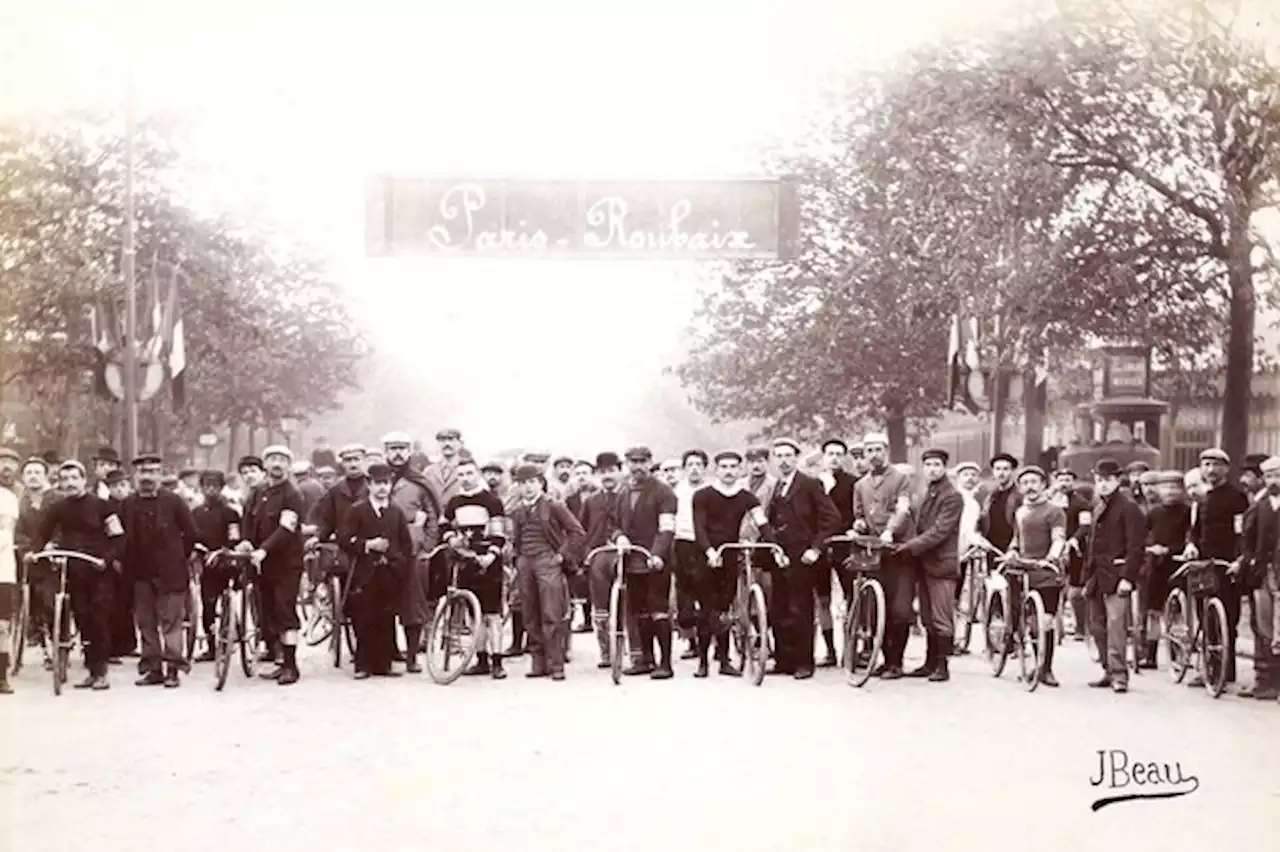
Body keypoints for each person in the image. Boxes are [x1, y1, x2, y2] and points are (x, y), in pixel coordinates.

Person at [33, 459, 125, 690]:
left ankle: (101, 672)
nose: (70, 483)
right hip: (73, 569)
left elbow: (118, 538)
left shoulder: (102, 505)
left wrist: (107, 559)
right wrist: (34, 552)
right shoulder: (58, 508)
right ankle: (91, 670)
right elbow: (42, 534)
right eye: (65, 479)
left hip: (98, 570)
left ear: (84, 480)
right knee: (82, 618)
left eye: (74, 478)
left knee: (99, 619)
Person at [692, 449, 775, 677]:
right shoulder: (703, 495)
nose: (728, 472)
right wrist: (709, 551)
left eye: (733, 467)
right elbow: (699, 527)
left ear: (739, 470)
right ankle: (703, 662)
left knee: (725, 608)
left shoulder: (746, 496)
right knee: (707, 609)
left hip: (730, 554)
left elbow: (762, 523)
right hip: (706, 554)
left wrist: (775, 548)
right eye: (724, 467)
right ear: (716, 470)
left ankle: (724, 660)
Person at [120, 454, 198, 688]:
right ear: (135, 476)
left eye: (153, 472)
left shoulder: (174, 502)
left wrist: (177, 558)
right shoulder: (128, 504)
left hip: (171, 572)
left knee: (171, 622)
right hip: (140, 573)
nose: (147, 477)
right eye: (143, 472)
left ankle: (173, 668)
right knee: (145, 622)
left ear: (161, 475)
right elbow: (121, 536)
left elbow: (191, 534)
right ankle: (153, 668)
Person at [766, 437, 841, 680]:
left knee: (801, 608)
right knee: (780, 607)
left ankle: (804, 663)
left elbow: (832, 519)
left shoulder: (809, 484)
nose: (784, 461)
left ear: (796, 458)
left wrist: (816, 548)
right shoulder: (777, 487)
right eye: (779, 456)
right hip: (780, 556)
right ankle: (784, 660)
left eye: (788, 455)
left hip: (803, 556)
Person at [508, 464, 585, 680]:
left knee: (552, 614)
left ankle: (556, 664)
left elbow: (577, 533)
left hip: (547, 562)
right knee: (530, 614)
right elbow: (516, 539)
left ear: (541, 483)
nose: (528, 488)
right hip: (525, 563)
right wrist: (517, 560)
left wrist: (561, 555)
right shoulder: (517, 511)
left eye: (532, 482)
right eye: (522, 484)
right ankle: (538, 663)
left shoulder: (554, 506)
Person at [1181, 448, 1249, 692]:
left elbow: (1242, 532)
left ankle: (1225, 671)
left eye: (1216, 465)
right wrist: (1190, 544)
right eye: (1206, 465)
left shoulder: (1236, 498)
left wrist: (1239, 558)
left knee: (1228, 617)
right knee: (1204, 615)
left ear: (1226, 469)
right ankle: (1209, 668)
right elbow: (1195, 528)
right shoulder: (1202, 498)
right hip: (1203, 564)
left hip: (1227, 564)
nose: (1211, 470)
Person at [239, 445, 306, 685]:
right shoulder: (257, 493)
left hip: (286, 563)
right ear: (265, 465)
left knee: (285, 610)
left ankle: (290, 665)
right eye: (272, 459)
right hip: (261, 563)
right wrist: (246, 541)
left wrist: (264, 550)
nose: (276, 464)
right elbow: (247, 519)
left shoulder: (292, 495)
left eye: (282, 460)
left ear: (288, 465)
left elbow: (286, 529)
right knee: (267, 611)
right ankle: (278, 661)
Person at [339, 463, 412, 679]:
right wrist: (367, 545)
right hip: (364, 573)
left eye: (386, 483)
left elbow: (405, 543)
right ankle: (363, 664)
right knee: (364, 616)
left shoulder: (396, 511)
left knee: (387, 616)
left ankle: (384, 663)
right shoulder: (357, 510)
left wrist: (398, 565)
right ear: (369, 485)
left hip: (389, 572)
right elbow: (344, 539)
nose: (382, 488)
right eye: (377, 483)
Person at [1079, 458, 1145, 694]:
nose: (1103, 484)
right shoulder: (1097, 506)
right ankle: (1107, 670)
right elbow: (1091, 545)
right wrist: (1087, 576)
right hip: (1097, 576)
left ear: (1118, 480)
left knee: (1117, 627)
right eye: (1099, 480)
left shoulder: (1129, 508)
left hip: (1118, 576)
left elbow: (1136, 546)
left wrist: (1128, 577)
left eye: (1107, 480)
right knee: (1097, 626)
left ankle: (1120, 675)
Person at [610, 446, 678, 678]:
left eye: (642, 461)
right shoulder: (623, 492)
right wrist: (619, 537)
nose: (637, 466)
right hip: (631, 559)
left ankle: (666, 664)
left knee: (658, 610)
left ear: (650, 462)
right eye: (633, 462)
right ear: (627, 464)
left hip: (656, 560)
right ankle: (645, 660)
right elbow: (614, 523)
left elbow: (667, 528)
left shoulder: (663, 492)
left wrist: (658, 554)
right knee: (639, 611)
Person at [897, 448, 963, 682]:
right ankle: (929, 661)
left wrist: (911, 545)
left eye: (937, 465)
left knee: (941, 616)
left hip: (941, 564)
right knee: (927, 615)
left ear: (944, 467)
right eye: (928, 465)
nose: (932, 469)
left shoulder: (952, 496)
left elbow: (940, 531)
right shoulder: (928, 492)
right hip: (924, 563)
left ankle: (943, 665)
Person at [852, 432, 915, 678]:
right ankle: (884, 659)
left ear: (886, 451)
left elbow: (903, 509)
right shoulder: (860, 485)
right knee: (879, 608)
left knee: (900, 609)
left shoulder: (901, 479)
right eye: (869, 451)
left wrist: (890, 531)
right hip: (873, 553)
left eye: (878, 450)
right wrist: (858, 525)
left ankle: (896, 662)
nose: (874, 455)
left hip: (898, 550)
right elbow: (859, 515)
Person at [441, 458, 508, 679]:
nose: (466, 479)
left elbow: (499, 535)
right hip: (466, 562)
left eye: (469, 473)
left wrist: (490, 556)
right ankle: (481, 659)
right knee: (473, 612)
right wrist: (451, 538)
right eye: (461, 475)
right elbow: (444, 524)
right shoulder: (454, 502)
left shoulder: (492, 501)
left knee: (492, 614)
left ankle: (497, 661)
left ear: (477, 474)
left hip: (489, 563)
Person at [1001, 465, 1066, 686]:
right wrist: (1012, 551)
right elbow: (1017, 538)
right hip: (1024, 571)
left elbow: (1059, 538)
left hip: (1047, 573)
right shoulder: (1020, 512)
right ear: (1020, 487)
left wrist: (1052, 557)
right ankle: (1032, 662)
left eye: (1034, 482)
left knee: (1045, 622)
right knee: (1028, 621)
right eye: (1025, 483)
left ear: (1043, 485)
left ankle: (1046, 669)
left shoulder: (1054, 511)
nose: (1030, 487)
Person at [382, 431, 441, 673]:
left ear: (409, 452)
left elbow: (433, 516)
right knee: (384, 601)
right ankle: (389, 650)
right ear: (385, 451)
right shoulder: (377, 480)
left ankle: (412, 657)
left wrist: (427, 544)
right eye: (393, 448)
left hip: (413, 551)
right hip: (384, 549)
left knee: (412, 604)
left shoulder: (419, 482)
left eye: (402, 448)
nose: (397, 453)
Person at [1139, 471, 1191, 671]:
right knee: (1153, 610)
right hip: (1156, 566)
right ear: (1159, 490)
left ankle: (1176, 652)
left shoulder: (1187, 512)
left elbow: (1190, 536)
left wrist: (1172, 549)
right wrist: (1151, 547)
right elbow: (1144, 535)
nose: (1170, 492)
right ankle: (1150, 654)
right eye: (1166, 487)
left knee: (1177, 611)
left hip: (1177, 565)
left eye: (1175, 487)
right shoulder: (1153, 512)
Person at [580, 452, 628, 668]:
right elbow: (581, 531)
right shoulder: (591, 501)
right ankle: (606, 653)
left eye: (611, 471)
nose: (607, 476)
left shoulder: (628, 496)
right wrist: (584, 556)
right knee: (600, 607)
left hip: (625, 554)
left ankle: (630, 651)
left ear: (620, 471)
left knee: (628, 602)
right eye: (603, 472)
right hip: (598, 556)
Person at [1239, 455, 1279, 700]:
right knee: (1265, 627)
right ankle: (1268, 682)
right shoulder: (1260, 505)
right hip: (1264, 574)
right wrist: (1249, 560)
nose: (1274, 480)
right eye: (1271, 475)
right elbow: (1248, 538)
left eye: (1278, 475)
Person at [191, 471, 242, 664]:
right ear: (201, 488)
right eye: (207, 486)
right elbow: (191, 536)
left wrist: (223, 551)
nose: (211, 490)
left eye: (215, 486)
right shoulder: (195, 513)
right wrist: (197, 549)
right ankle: (212, 646)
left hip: (226, 561)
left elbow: (234, 537)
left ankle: (230, 631)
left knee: (227, 598)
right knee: (208, 603)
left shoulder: (230, 513)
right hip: (206, 564)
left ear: (222, 488)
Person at [816, 438, 857, 667]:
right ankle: (830, 650)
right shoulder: (814, 483)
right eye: (830, 453)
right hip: (821, 548)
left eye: (839, 454)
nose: (834, 458)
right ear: (823, 457)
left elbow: (855, 511)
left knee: (851, 597)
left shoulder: (852, 483)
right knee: (823, 599)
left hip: (844, 545)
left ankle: (849, 649)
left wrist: (852, 528)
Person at [15, 456, 60, 652]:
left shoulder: (57, 499)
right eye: (29, 473)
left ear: (45, 475)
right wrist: (26, 550)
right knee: (29, 598)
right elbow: (18, 531)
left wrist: (54, 544)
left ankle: (58, 636)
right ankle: (37, 634)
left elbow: (62, 525)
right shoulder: (20, 502)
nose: (33, 477)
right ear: (23, 477)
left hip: (53, 560)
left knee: (51, 599)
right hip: (30, 560)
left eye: (37, 473)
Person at [672, 449, 710, 661]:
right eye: (690, 465)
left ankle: (709, 640)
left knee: (707, 593)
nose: (694, 468)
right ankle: (690, 640)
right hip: (683, 542)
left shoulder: (711, 489)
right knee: (684, 594)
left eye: (699, 464)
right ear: (685, 469)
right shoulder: (677, 491)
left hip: (706, 544)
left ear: (705, 468)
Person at [1050, 467, 1092, 642]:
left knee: (1075, 590)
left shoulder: (1081, 503)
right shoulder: (1051, 501)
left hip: (1076, 549)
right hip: (1053, 547)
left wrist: (1074, 539)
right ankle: (1053, 627)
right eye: (1061, 479)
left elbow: (1085, 525)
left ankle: (1080, 627)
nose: (1064, 483)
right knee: (1052, 585)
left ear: (1073, 482)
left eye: (1067, 479)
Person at [102, 469, 137, 661]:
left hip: (132, 558)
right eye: (115, 486)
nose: (120, 489)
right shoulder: (106, 507)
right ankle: (112, 647)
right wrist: (114, 558)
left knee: (128, 602)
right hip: (113, 558)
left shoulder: (134, 505)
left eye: (123, 485)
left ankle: (128, 644)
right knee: (113, 603)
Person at [563, 459, 596, 633]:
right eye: (578, 474)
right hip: (577, 543)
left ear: (592, 475)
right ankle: (583, 618)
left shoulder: (599, 496)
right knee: (577, 580)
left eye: (585, 473)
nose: (582, 477)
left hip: (594, 540)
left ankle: (596, 616)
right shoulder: (570, 500)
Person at [0, 447, 19, 693]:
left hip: (2, 569)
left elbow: (5, 532)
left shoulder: (8, 498)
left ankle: (1, 675)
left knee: (1, 624)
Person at [979, 453, 1021, 554]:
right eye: (997, 469)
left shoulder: (1019, 496)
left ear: (1012, 471)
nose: (1001, 473)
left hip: (1011, 549)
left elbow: (1021, 525)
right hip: (990, 548)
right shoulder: (989, 496)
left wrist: (1014, 546)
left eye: (1005, 469)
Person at [424, 428, 466, 507]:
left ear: (461, 443)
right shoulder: (429, 471)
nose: (447, 444)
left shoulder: (468, 469)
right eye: (442, 440)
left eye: (451, 439)